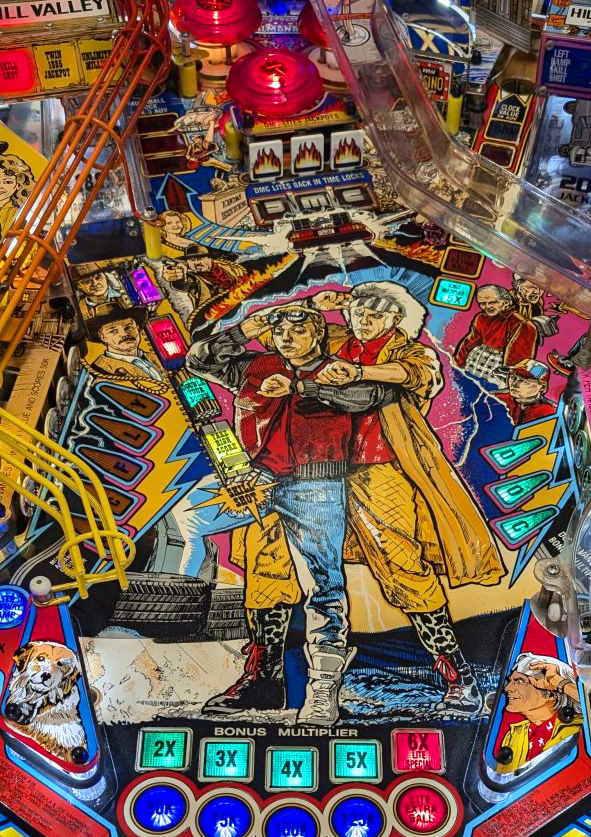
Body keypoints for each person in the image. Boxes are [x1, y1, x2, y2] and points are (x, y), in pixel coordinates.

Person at [186, 301, 398, 720]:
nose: (287, 337)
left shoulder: (338, 371)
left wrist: (302, 387)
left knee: (324, 585)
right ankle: (262, 680)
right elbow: (199, 361)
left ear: (318, 334)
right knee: (226, 545)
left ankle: (322, 690)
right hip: (256, 480)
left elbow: (373, 395)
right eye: (280, 331)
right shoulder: (257, 366)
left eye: (298, 331)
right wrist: (244, 330)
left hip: (316, 485)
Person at [309, 281, 504, 718]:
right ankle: (295, 677)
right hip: (318, 469)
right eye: (360, 313)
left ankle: (456, 675)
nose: (365, 321)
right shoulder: (336, 341)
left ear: (395, 319)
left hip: (380, 470)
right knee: (292, 563)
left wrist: (359, 374)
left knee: (403, 567)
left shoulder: (410, 353)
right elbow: (292, 337)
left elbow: (418, 375)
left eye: (376, 315)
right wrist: (319, 303)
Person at [494, 652, 581, 775]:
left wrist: (561, 684)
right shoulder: (515, 733)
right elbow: (502, 778)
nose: (507, 688)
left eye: (519, 681)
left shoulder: (576, 726)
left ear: (550, 693)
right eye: (511, 681)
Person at [452, 283, 538, 384]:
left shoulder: (521, 323)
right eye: (482, 303)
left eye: (493, 302)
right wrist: (457, 363)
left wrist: (508, 381)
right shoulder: (481, 318)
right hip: (470, 367)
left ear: (506, 302)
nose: (487, 307)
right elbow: (470, 342)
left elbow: (518, 359)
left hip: (496, 374)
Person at [84, 308, 167, 391]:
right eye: (113, 331)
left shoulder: (156, 357)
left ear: (137, 328)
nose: (124, 334)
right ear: (103, 337)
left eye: (129, 327)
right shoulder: (100, 371)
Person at [497, 357, 553, 428]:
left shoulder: (548, 412)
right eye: (513, 377)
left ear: (542, 387)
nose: (515, 383)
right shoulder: (498, 399)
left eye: (524, 380)